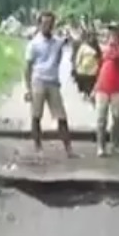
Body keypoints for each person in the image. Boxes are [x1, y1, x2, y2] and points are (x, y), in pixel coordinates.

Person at [23, 10, 76, 158]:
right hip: (38, 81)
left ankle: (69, 149)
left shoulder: (57, 42)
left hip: (53, 83)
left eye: (50, 23)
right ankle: (38, 147)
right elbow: (27, 67)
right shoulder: (34, 44)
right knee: (36, 115)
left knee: (61, 116)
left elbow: (74, 41)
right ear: (39, 24)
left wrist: (73, 27)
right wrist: (28, 89)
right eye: (45, 23)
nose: (48, 26)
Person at [93, 22, 119, 157]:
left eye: (115, 31)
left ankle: (115, 144)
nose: (113, 34)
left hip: (117, 86)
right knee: (101, 117)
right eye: (111, 31)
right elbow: (99, 65)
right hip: (102, 85)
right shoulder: (104, 48)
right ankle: (100, 146)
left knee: (116, 117)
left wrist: (113, 46)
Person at [74, 29, 101, 101]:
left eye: (93, 36)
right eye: (90, 36)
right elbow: (79, 56)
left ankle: (90, 95)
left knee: (91, 83)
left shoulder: (97, 47)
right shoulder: (83, 46)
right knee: (83, 82)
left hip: (93, 70)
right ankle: (85, 93)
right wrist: (76, 65)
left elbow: (99, 57)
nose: (92, 38)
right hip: (83, 69)